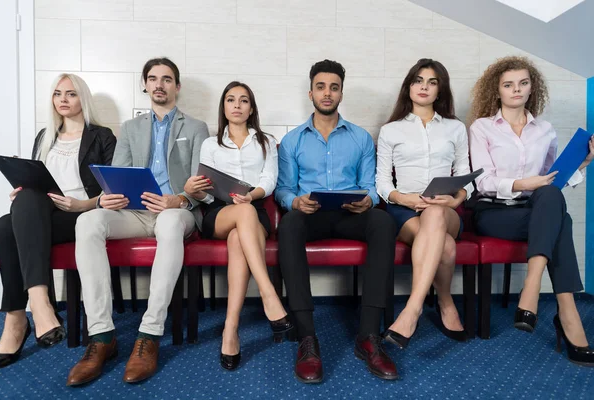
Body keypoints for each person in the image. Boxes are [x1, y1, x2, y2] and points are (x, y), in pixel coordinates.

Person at [67, 58, 212, 386]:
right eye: (152, 79)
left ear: (177, 86)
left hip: (177, 211)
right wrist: (109, 196)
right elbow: (117, 174)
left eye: (166, 79)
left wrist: (178, 199)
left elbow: (202, 188)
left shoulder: (196, 128)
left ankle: (149, 333)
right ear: (145, 85)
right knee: (88, 223)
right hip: (133, 212)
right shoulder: (131, 129)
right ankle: (102, 336)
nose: (159, 84)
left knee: (172, 223)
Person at [275, 59, 398, 383]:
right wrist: (295, 202)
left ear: (341, 92)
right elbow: (284, 189)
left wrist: (368, 199)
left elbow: (370, 185)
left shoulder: (360, 138)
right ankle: (306, 338)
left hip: (349, 216)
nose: (327, 93)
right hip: (310, 216)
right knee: (288, 224)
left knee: (383, 223)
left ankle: (368, 337)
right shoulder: (293, 141)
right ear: (311, 92)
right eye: (321, 86)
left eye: (333, 87)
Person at [468, 56, 594, 366]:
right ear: (497, 90)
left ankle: (533, 286)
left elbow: (553, 183)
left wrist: (583, 164)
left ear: (531, 87)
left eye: (523, 83)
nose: (517, 90)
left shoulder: (546, 130)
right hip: (494, 213)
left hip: (534, 210)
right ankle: (566, 313)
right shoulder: (482, 127)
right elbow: (482, 182)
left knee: (552, 201)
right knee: (560, 220)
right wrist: (526, 182)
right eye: (508, 85)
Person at [0, 74, 116, 369]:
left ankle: (19, 316)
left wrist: (80, 204)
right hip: (42, 213)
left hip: (80, 215)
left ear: (82, 99)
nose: (63, 99)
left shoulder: (102, 136)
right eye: (58, 93)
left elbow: (112, 191)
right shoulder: (44, 136)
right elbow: (37, 181)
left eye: (71, 94)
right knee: (7, 219)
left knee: (5, 226)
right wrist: (22, 188)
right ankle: (34, 305)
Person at [377, 59, 470, 349]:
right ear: (409, 87)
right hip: (404, 209)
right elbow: (381, 182)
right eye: (418, 80)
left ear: (440, 90)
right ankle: (445, 302)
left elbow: (467, 179)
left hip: (447, 208)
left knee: (436, 213)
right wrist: (403, 198)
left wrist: (455, 198)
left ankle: (412, 309)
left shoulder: (456, 128)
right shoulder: (391, 130)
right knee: (447, 246)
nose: (424, 87)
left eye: (432, 82)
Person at [199, 81, 292, 370]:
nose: (237, 105)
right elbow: (204, 192)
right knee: (241, 215)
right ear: (223, 107)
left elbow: (269, 180)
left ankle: (230, 329)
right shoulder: (209, 143)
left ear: (251, 108)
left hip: (253, 210)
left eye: (243, 100)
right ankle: (269, 294)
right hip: (218, 213)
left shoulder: (265, 141)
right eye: (231, 100)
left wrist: (251, 195)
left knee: (241, 233)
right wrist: (195, 189)